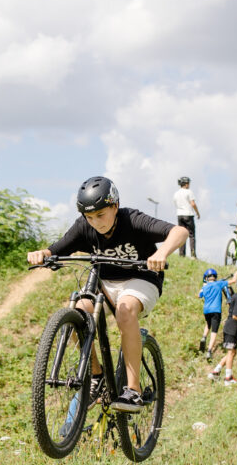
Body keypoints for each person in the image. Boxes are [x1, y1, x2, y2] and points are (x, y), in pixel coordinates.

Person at [27, 176, 188, 412]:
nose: (95, 223)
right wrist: (43, 253)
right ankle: (96, 375)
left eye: (100, 215)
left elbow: (180, 231)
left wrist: (162, 253)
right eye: (89, 217)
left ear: (115, 206)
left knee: (125, 310)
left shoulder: (132, 220)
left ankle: (132, 391)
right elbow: (58, 247)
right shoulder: (85, 226)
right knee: (79, 311)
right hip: (105, 281)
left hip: (141, 279)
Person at [208, 276, 237, 386]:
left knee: (233, 352)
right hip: (231, 329)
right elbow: (235, 316)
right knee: (231, 353)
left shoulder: (236, 297)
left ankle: (216, 371)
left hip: (231, 329)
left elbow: (235, 304)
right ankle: (228, 378)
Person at [198, 267, 237, 361]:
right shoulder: (219, 283)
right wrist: (236, 274)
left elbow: (199, 295)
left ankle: (204, 337)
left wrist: (203, 286)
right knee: (214, 331)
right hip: (216, 310)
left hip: (206, 310)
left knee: (208, 324)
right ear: (215, 277)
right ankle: (209, 351)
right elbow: (233, 281)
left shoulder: (205, 287)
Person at [172, 176, 201, 258]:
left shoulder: (176, 193)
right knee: (191, 235)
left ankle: (181, 254)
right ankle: (193, 255)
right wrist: (198, 213)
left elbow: (175, 203)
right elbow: (193, 204)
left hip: (179, 215)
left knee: (182, 235)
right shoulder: (189, 192)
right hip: (188, 214)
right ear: (186, 184)